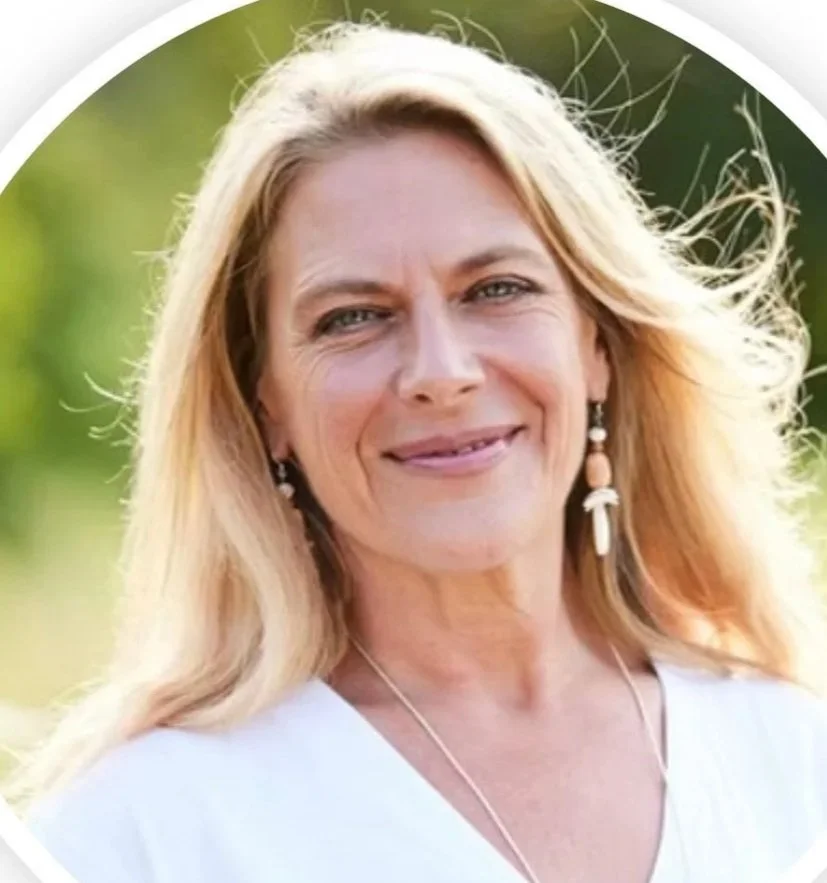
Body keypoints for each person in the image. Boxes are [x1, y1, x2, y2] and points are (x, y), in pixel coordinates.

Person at [10, 20, 827, 883]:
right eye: (353, 317)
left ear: (597, 346)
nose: (441, 373)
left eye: (497, 289)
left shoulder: (789, 753)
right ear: (267, 405)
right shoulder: (136, 832)